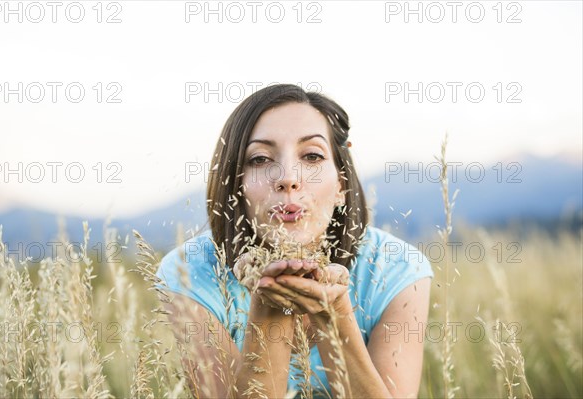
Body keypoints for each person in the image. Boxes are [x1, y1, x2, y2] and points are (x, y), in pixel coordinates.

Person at [156, 84, 433, 398]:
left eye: (312, 156)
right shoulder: (188, 272)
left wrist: (334, 314)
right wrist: (269, 305)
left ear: (341, 183)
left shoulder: (397, 268)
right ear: (236, 186)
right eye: (260, 160)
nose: (288, 177)